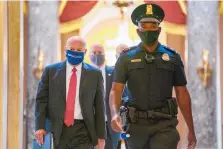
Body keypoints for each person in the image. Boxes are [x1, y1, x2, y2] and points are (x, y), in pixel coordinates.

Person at [109, 3, 197, 149]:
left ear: (159, 29)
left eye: (153, 25)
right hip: (136, 127)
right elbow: (116, 89)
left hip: (165, 124)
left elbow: (182, 93)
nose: (149, 29)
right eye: (144, 25)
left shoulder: (173, 57)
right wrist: (114, 114)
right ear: (138, 31)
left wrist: (191, 130)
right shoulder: (125, 58)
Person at [34, 36, 106, 149]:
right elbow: (41, 100)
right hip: (56, 129)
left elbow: (100, 107)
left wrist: (101, 137)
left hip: (83, 131)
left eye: (79, 50)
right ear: (65, 50)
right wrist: (40, 126)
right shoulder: (50, 71)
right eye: (71, 49)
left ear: (85, 52)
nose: (75, 53)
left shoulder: (94, 74)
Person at [89, 43, 120, 149]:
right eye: (94, 52)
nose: (97, 55)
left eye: (100, 53)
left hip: (110, 124)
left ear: (104, 55)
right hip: (89, 125)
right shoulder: (83, 73)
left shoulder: (114, 72)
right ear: (89, 55)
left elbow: (122, 96)